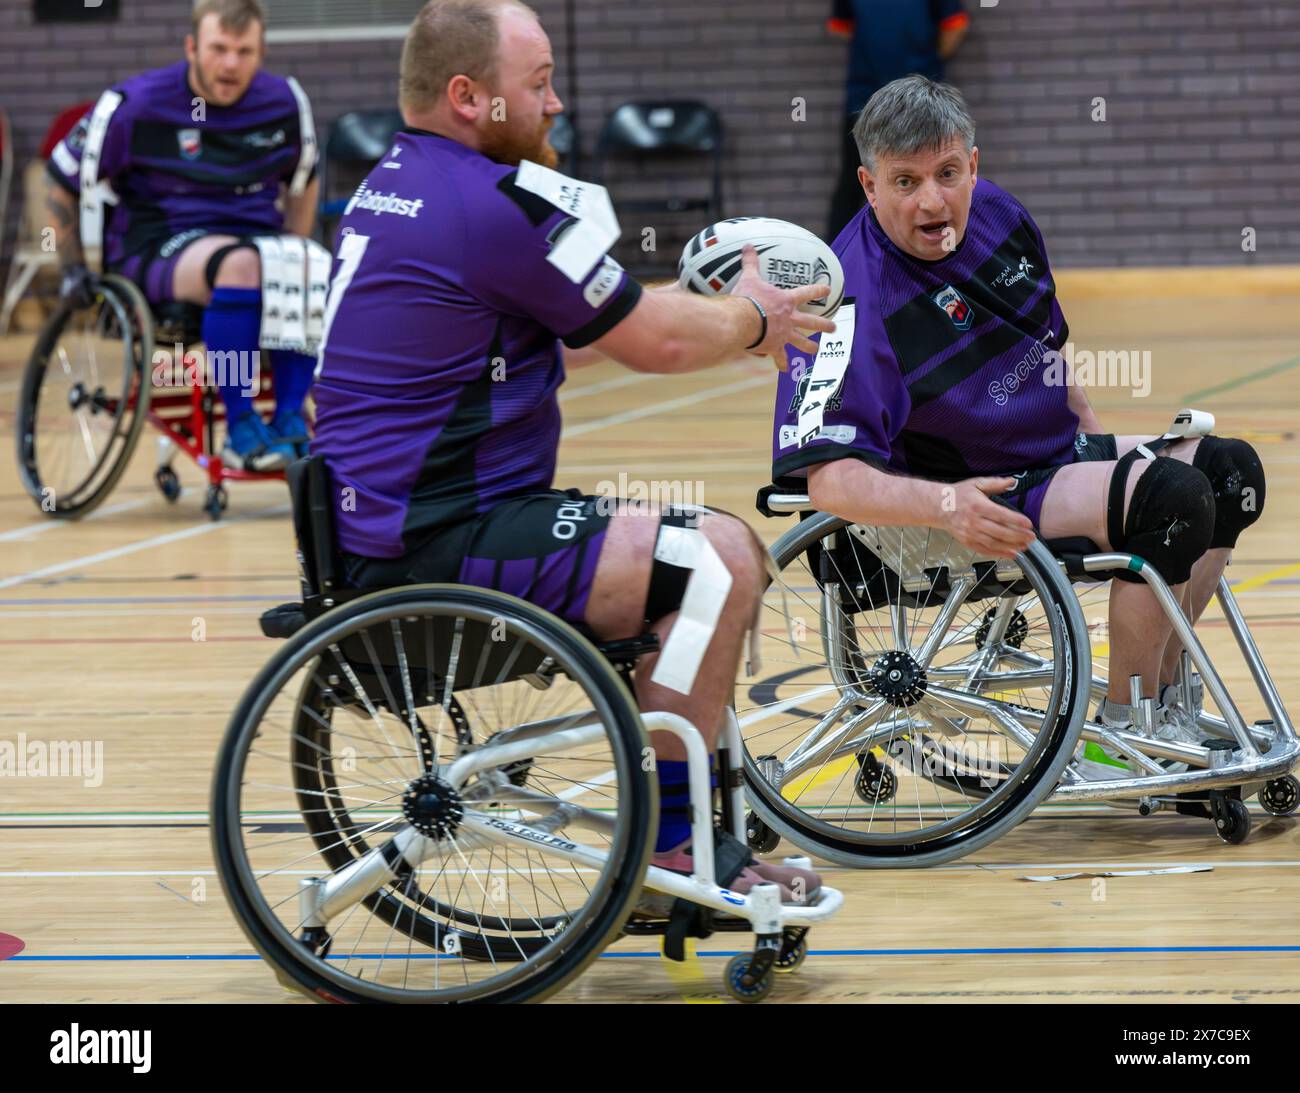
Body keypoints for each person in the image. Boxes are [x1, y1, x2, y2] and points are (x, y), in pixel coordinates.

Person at [312, 0, 833, 898]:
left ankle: (671, 811)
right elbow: (652, 344)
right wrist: (751, 318)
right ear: (470, 95)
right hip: (440, 542)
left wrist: (712, 318)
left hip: (398, 528)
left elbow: (581, 325)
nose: (557, 104)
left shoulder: (405, 180)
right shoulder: (488, 207)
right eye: (540, 82)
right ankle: (673, 844)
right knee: (718, 558)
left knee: (697, 548)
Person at [774, 76, 1266, 770]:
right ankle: (1120, 733)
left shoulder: (1002, 216)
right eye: (905, 181)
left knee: (1228, 470)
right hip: (969, 493)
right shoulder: (849, 298)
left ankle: (1164, 701)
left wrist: (1094, 441)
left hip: (1049, 457)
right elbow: (826, 478)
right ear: (869, 185)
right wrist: (948, 503)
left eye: (947, 174)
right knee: (1172, 499)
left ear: (974, 164)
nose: (932, 201)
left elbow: (1049, 344)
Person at [44, 0, 320, 471]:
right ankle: (239, 426)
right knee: (244, 264)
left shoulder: (284, 103)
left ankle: (291, 417)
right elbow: (61, 178)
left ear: (261, 52)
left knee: (308, 258)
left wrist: (294, 247)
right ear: (192, 47)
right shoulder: (136, 106)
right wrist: (71, 268)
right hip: (158, 244)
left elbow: (305, 180)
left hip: (252, 243)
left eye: (244, 51)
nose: (231, 64)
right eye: (219, 49)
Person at [825, 0, 969, 241]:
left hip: (923, 104)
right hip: (865, 100)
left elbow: (955, 26)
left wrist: (923, 61)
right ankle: (835, 260)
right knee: (854, 183)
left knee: (938, 177)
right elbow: (839, 26)